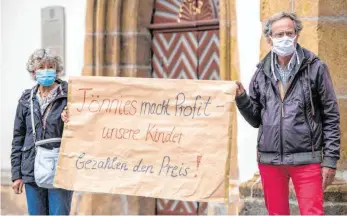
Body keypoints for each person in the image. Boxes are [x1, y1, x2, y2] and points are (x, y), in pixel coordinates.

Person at [235, 12, 340, 215]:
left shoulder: (315, 68)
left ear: (296, 35)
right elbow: (256, 119)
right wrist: (242, 100)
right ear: (269, 39)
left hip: (307, 159)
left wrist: (330, 159)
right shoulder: (260, 74)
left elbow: (331, 115)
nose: (284, 38)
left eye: (288, 33)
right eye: (279, 34)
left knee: (312, 213)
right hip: (270, 161)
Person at [11, 48, 72, 215]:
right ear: (33, 71)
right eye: (41, 67)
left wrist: (72, 118)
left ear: (57, 70)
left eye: (50, 67)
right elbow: (18, 137)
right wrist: (17, 174)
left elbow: (84, 129)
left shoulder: (71, 96)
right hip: (31, 168)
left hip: (61, 168)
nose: (46, 71)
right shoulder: (26, 99)